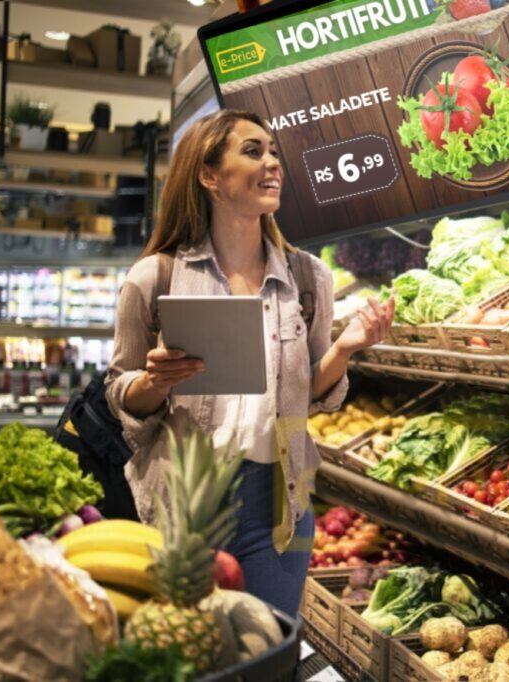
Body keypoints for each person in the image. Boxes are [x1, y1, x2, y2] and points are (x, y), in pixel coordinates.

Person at [105, 109, 394, 616]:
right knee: (192, 655)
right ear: (209, 174)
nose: (273, 164)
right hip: (187, 499)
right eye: (254, 151)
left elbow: (304, 397)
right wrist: (154, 381)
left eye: (274, 152)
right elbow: (118, 391)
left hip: (283, 499)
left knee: (268, 652)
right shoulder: (156, 278)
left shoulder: (309, 278)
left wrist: (345, 349)